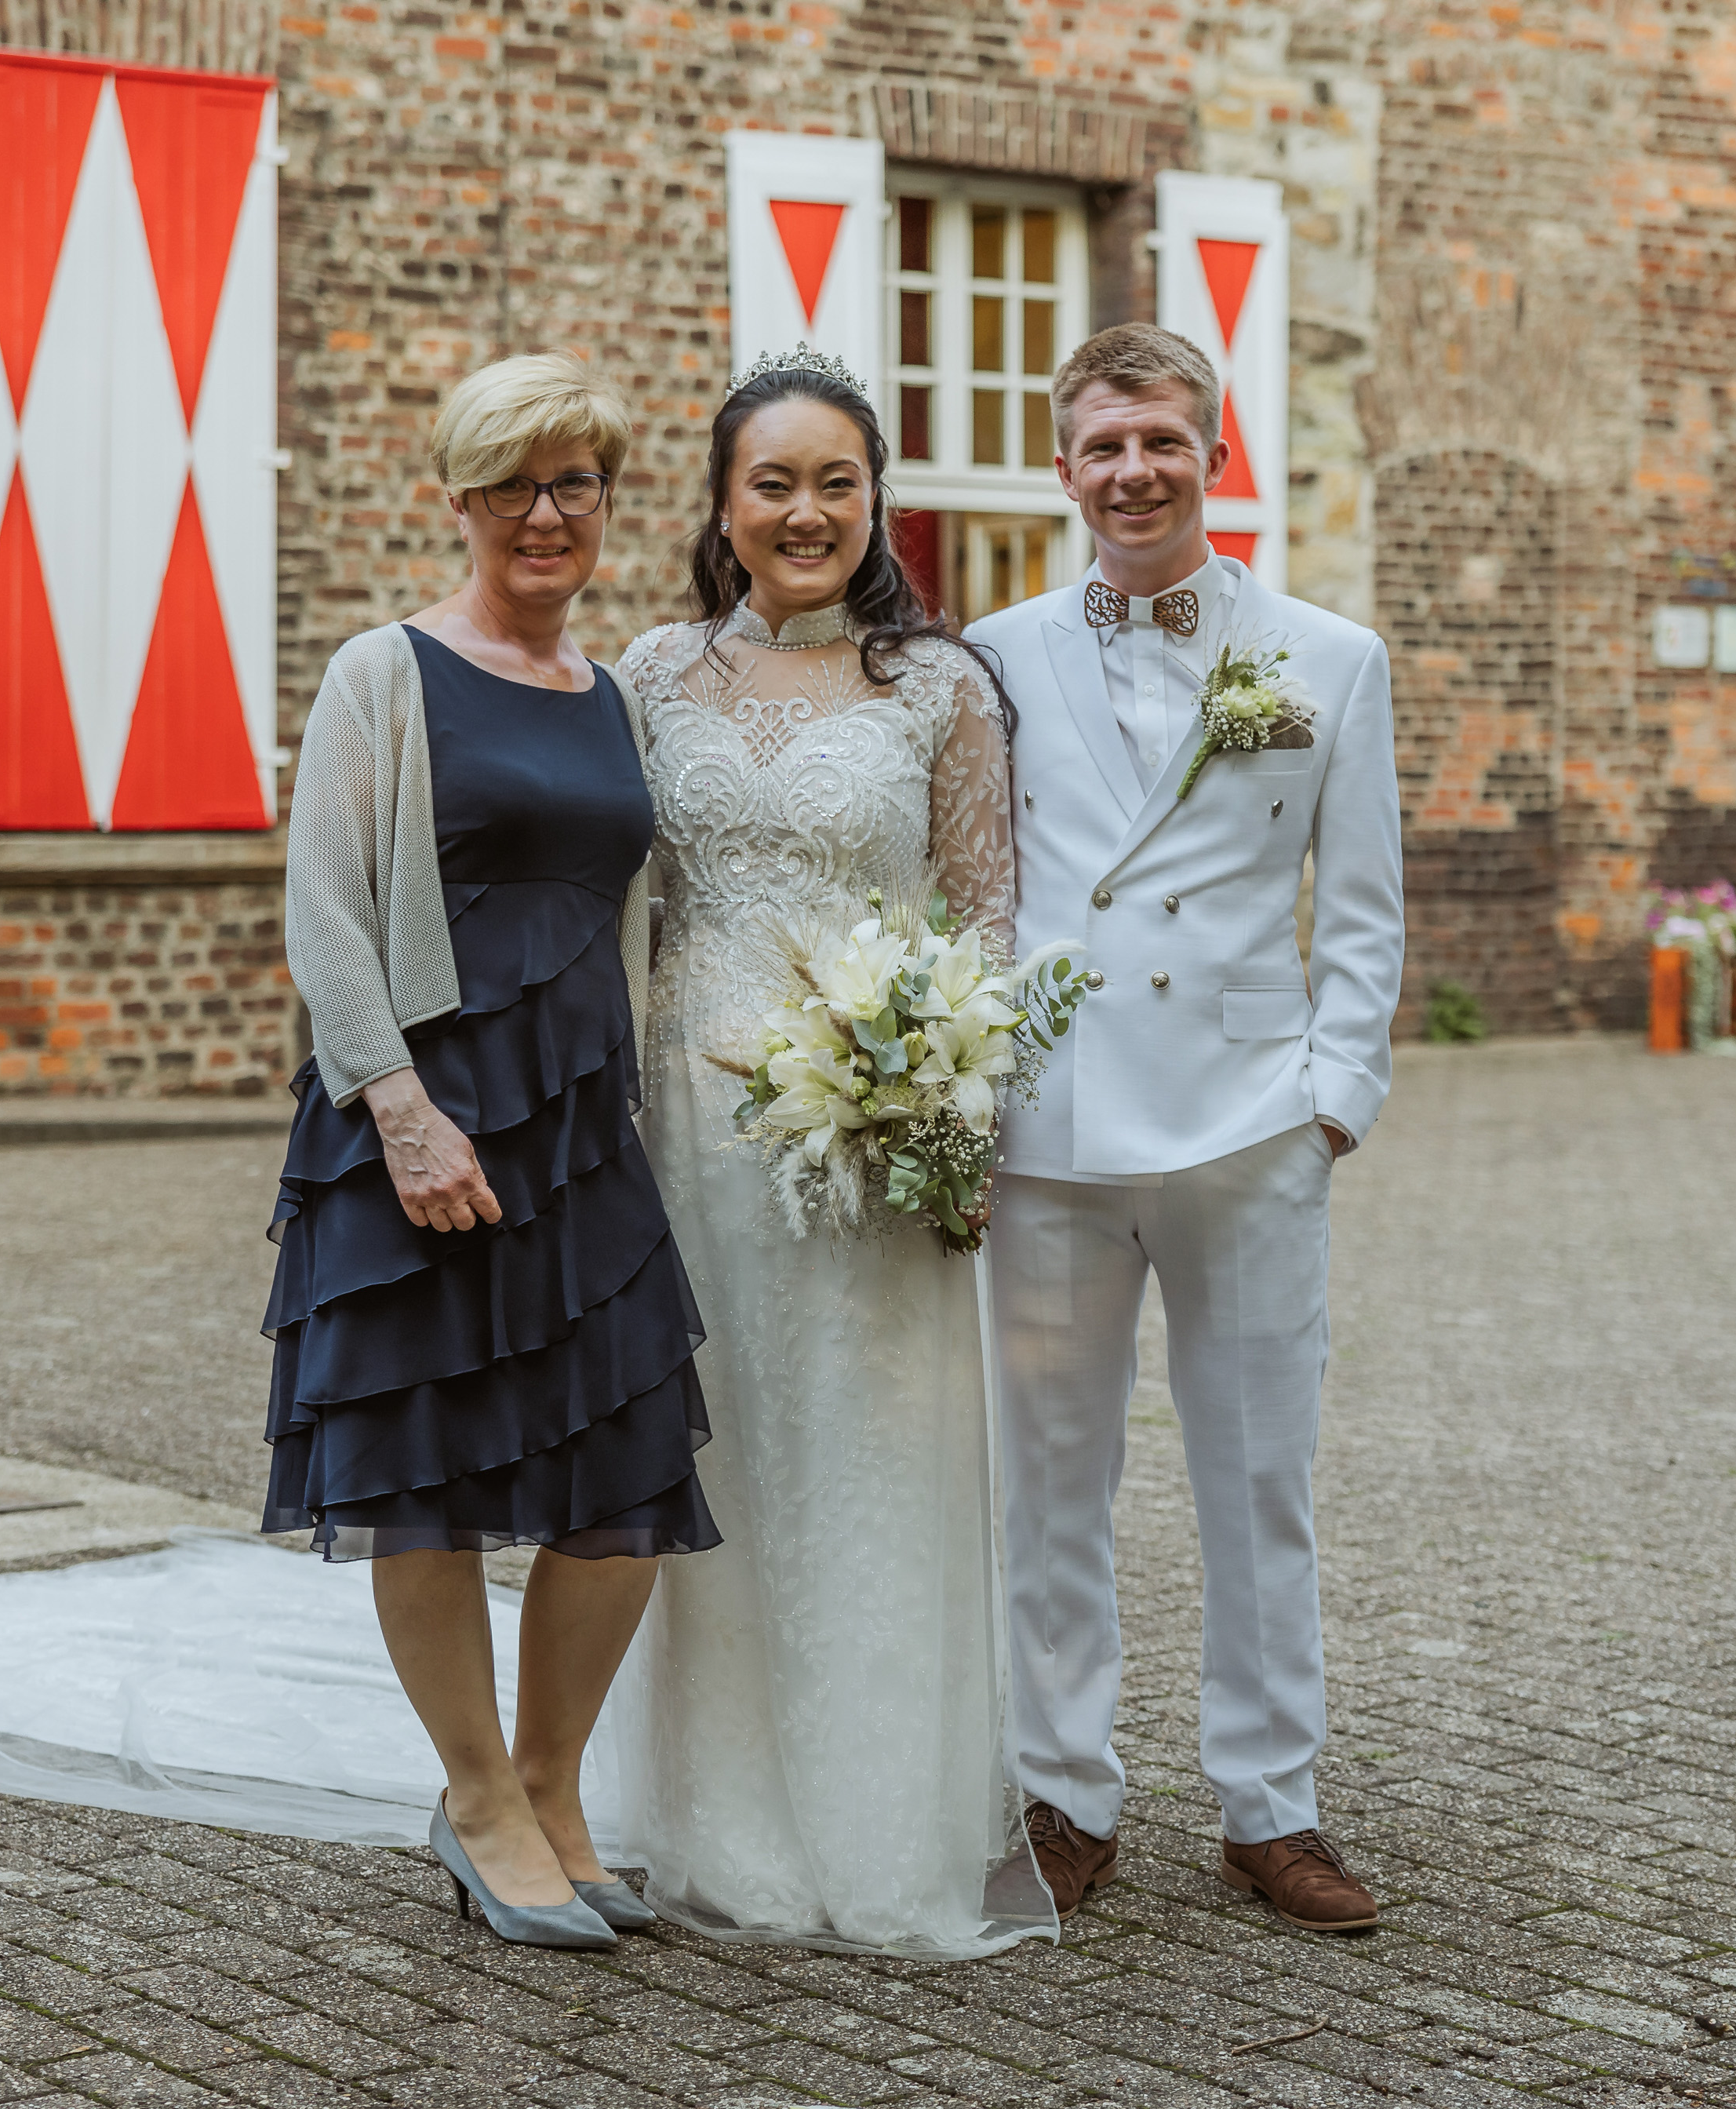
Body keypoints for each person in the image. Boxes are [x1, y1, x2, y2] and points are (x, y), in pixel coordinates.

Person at [265, 353, 719, 1951]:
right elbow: (327, 911)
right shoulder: (383, 673)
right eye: (512, 485)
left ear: (605, 500)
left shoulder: (616, 694)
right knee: (428, 1471)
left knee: (628, 1465)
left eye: (573, 483)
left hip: (584, 1127)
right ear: (457, 500)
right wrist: (399, 1111)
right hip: (421, 1116)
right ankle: (474, 1801)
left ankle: (551, 1785)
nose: (545, 513)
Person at [609, 346, 1056, 1956]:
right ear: (723, 506)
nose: (806, 511)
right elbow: (606, 897)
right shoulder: (652, 676)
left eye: (837, 482)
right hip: (687, 1144)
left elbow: (986, 922)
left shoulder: (939, 688)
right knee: (713, 1457)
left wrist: (953, 1115)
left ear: (877, 503)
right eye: (773, 483)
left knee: (866, 1465)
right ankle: (717, 1819)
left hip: (873, 1140)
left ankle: (879, 1824)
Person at [968, 324, 1404, 1935]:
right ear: (1063, 468)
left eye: (1161, 441)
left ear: (1214, 456)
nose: (1134, 471)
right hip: (1053, 1127)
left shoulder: (1327, 656)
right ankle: (1065, 1792)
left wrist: (1332, 1103)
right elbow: (973, 883)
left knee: (1259, 1477)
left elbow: (1360, 907)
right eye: (1104, 445)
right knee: (1048, 1484)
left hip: (1248, 1125)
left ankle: (1271, 1808)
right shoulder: (990, 657)